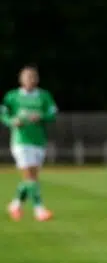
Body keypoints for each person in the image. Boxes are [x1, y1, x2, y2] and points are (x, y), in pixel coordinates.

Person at [2, 67, 56, 221]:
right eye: (27, 77)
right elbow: (3, 113)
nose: (30, 80)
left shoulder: (44, 96)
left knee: (32, 177)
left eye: (33, 77)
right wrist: (12, 121)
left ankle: (16, 204)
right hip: (20, 141)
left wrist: (41, 116)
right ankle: (39, 210)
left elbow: (52, 113)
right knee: (29, 176)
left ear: (37, 79)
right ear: (21, 79)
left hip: (38, 140)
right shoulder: (12, 96)